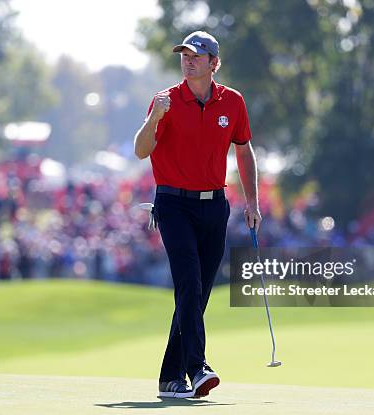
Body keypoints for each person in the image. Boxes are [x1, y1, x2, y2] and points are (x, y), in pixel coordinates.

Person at [134, 31, 261, 398]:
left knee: (198, 293)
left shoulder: (233, 102)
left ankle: (169, 378)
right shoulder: (166, 101)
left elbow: (244, 150)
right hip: (173, 204)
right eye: (184, 55)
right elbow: (141, 150)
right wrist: (154, 117)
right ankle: (197, 368)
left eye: (196, 55)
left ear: (213, 63)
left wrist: (251, 202)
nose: (188, 60)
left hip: (215, 205)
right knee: (188, 282)